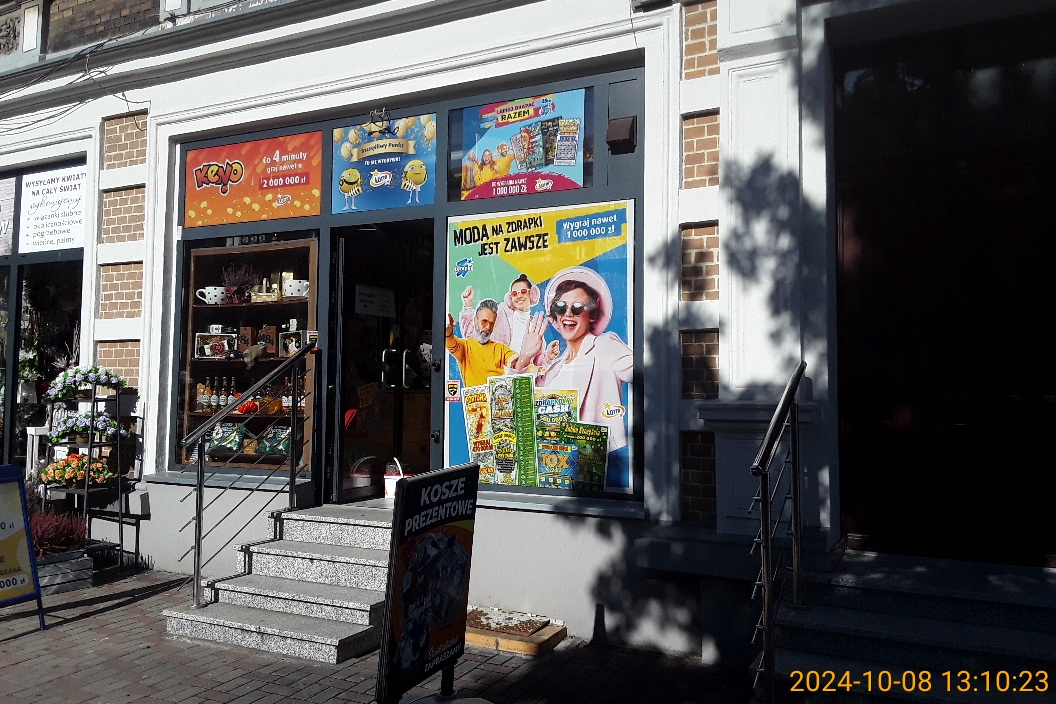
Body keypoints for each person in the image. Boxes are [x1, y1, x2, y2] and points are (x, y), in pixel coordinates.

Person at [519, 267, 632, 451]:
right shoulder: (554, 370)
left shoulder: (604, 345)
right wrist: (525, 356)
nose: (568, 313)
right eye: (560, 307)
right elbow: (514, 406)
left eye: (578, 307)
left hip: (597, 460)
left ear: (592, 315)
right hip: (553, 462)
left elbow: (648, 371)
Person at [458, 274, 559, 358]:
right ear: (510, 297)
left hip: (523, 374)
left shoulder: (536, 326)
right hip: (497, 373)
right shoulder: (500, 314)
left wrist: (548, 356)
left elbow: (537, 363)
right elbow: (473, 337)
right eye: (514, 293)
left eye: (523, 291)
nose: (519, 296)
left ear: (532, 294)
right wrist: (468, 305)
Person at [446, 299, 541, 387]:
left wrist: (527, 358)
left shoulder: (500, 348)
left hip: (499, 397)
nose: (488, 327)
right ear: (475, 320)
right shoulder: (465, 346)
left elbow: (516, 365)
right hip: (475, 399)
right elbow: (451, 343)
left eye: (492, 324)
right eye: (484, 322)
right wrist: (448, 332)